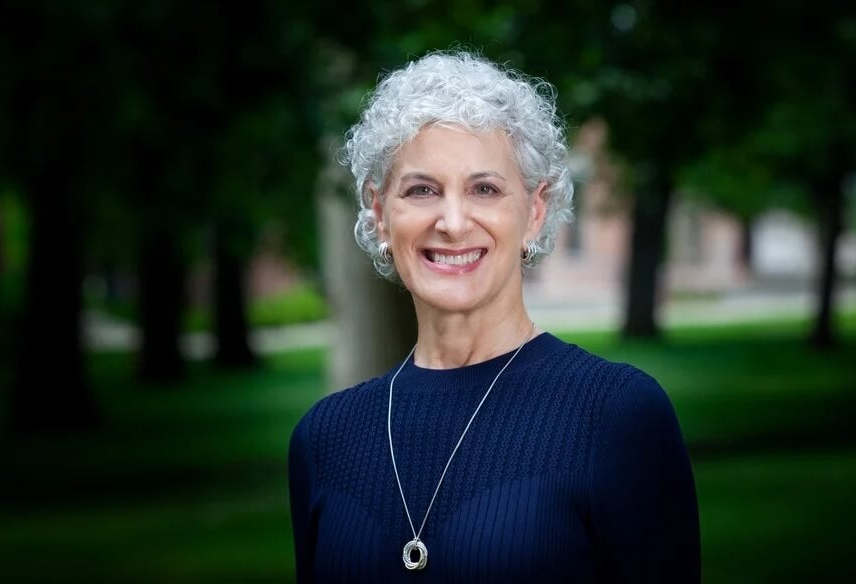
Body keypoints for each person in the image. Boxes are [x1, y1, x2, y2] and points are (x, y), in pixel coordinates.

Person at [289, 50, 700, 583]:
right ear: (379, 212)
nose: (453, 223)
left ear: (534, 212)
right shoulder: (323, 439)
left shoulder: (618, 415)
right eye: (421, 190)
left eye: (484, 189)